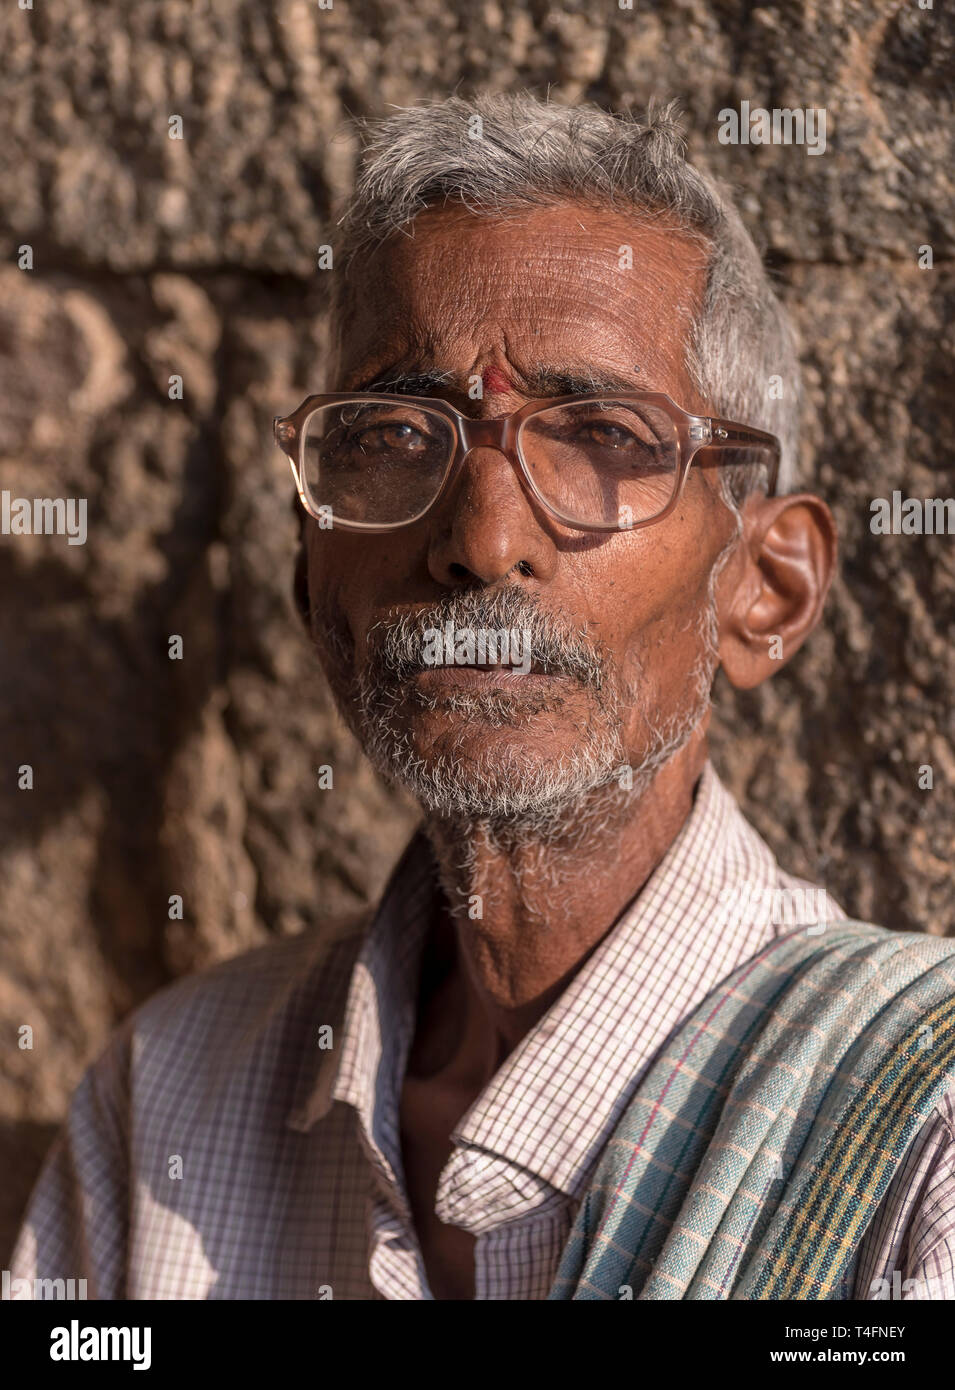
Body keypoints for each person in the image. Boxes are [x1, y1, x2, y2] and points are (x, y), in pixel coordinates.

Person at [10, 93, 955, 1301]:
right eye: (398, 432)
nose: (482, 535)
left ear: (761, 591)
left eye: (602, 433)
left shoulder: (917, 1135)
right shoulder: (172, 1092)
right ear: (312, 575)